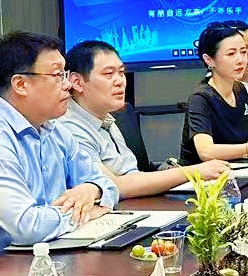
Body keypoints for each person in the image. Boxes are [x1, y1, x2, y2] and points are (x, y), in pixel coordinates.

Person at [0, 31, 118, 271]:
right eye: (57, 75)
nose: (67, 84)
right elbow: (27, 226)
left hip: (45, 260)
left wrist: (92, 189)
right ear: (21, 84)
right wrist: (88, 212)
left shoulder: (53, 128)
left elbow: (109, 186)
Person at [60, 39, 231, 198]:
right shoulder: (69, 129)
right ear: (77, 82)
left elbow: (131, 172)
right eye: (108, 74)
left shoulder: (107, 118)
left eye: (121, 72)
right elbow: (113, 186)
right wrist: (192, 172)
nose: (120, 81)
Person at [180, 22, 248, 164]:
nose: (240, 60)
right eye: (231, 54)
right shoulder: (201, 98)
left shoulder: (239, 89)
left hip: (237, 169)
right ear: (209, 60)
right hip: (202, 175)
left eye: (243, 52)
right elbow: (206, 152)